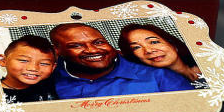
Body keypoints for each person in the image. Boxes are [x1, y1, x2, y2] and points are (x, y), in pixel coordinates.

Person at [49, 23, 194, 99]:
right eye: (76, 45)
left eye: (99, 42)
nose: (93, 50)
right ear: (57, 51)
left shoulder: (159, 77)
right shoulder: (46, 79)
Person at [119, 23, 203, 86]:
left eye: (154, 42)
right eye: (136, 47)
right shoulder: (153, 86)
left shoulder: (206, 63)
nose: (148, 50)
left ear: (173, 44)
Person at [0, 36, 59, 103]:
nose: (33, 68)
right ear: (3, 61)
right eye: (24, 60)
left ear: (53, 67)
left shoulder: (51, 84)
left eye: (44, 63)